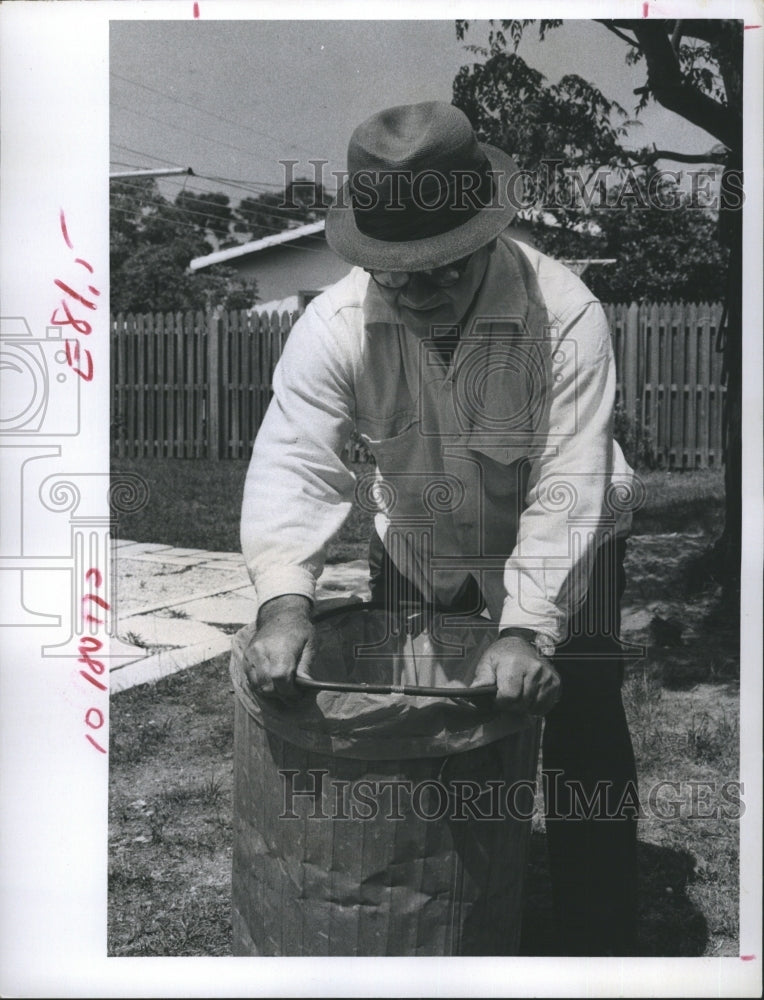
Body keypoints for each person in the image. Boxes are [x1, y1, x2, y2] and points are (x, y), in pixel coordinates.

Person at [240, 101, 639, 956]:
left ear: (484, 232)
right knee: (410, 728)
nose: (421, 295)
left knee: (582, 728)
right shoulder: (333, 325)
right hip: (418, 541)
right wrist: (284, 603)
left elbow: (570, 480)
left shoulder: (565, 315)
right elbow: (295, 461)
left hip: (573, 542)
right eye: (399, 274)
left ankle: (602, 946)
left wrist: (529, 628)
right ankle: (424, 915)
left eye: (444, 269)